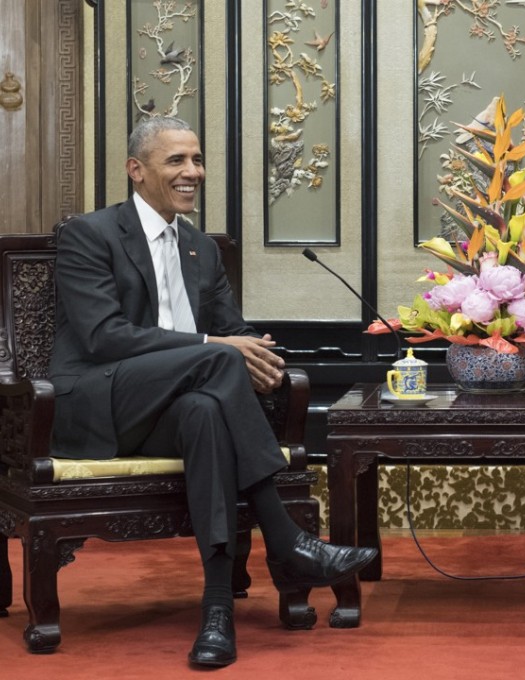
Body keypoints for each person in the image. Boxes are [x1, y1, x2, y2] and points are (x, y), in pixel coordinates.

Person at [49, 116, 377, 668]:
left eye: (197, 160)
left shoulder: (200, 247)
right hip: (102, 402)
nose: (193, 172)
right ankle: (286, 540)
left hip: (178, 406)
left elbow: (235, 330)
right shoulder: (91, 233)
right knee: (219, 360)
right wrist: (219, 348)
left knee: (206, 409)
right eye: (176, 161)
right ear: (136, 170)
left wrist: (260, 357)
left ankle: (218, 609)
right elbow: (103, 337)